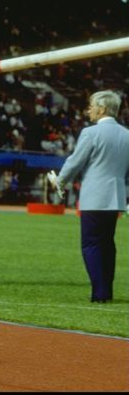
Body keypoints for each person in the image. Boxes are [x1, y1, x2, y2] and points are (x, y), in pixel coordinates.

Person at [48, 90, 129, 303]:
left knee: (91, 244)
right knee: (107, 244)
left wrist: (60, 181)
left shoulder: (90, 133)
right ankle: (106, 291)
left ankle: (99, 293)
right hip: (116, 196)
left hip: (95, 196)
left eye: (91, 105)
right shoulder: (126, 134)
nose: (88, 110)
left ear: (101, 109)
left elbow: (76, 161)